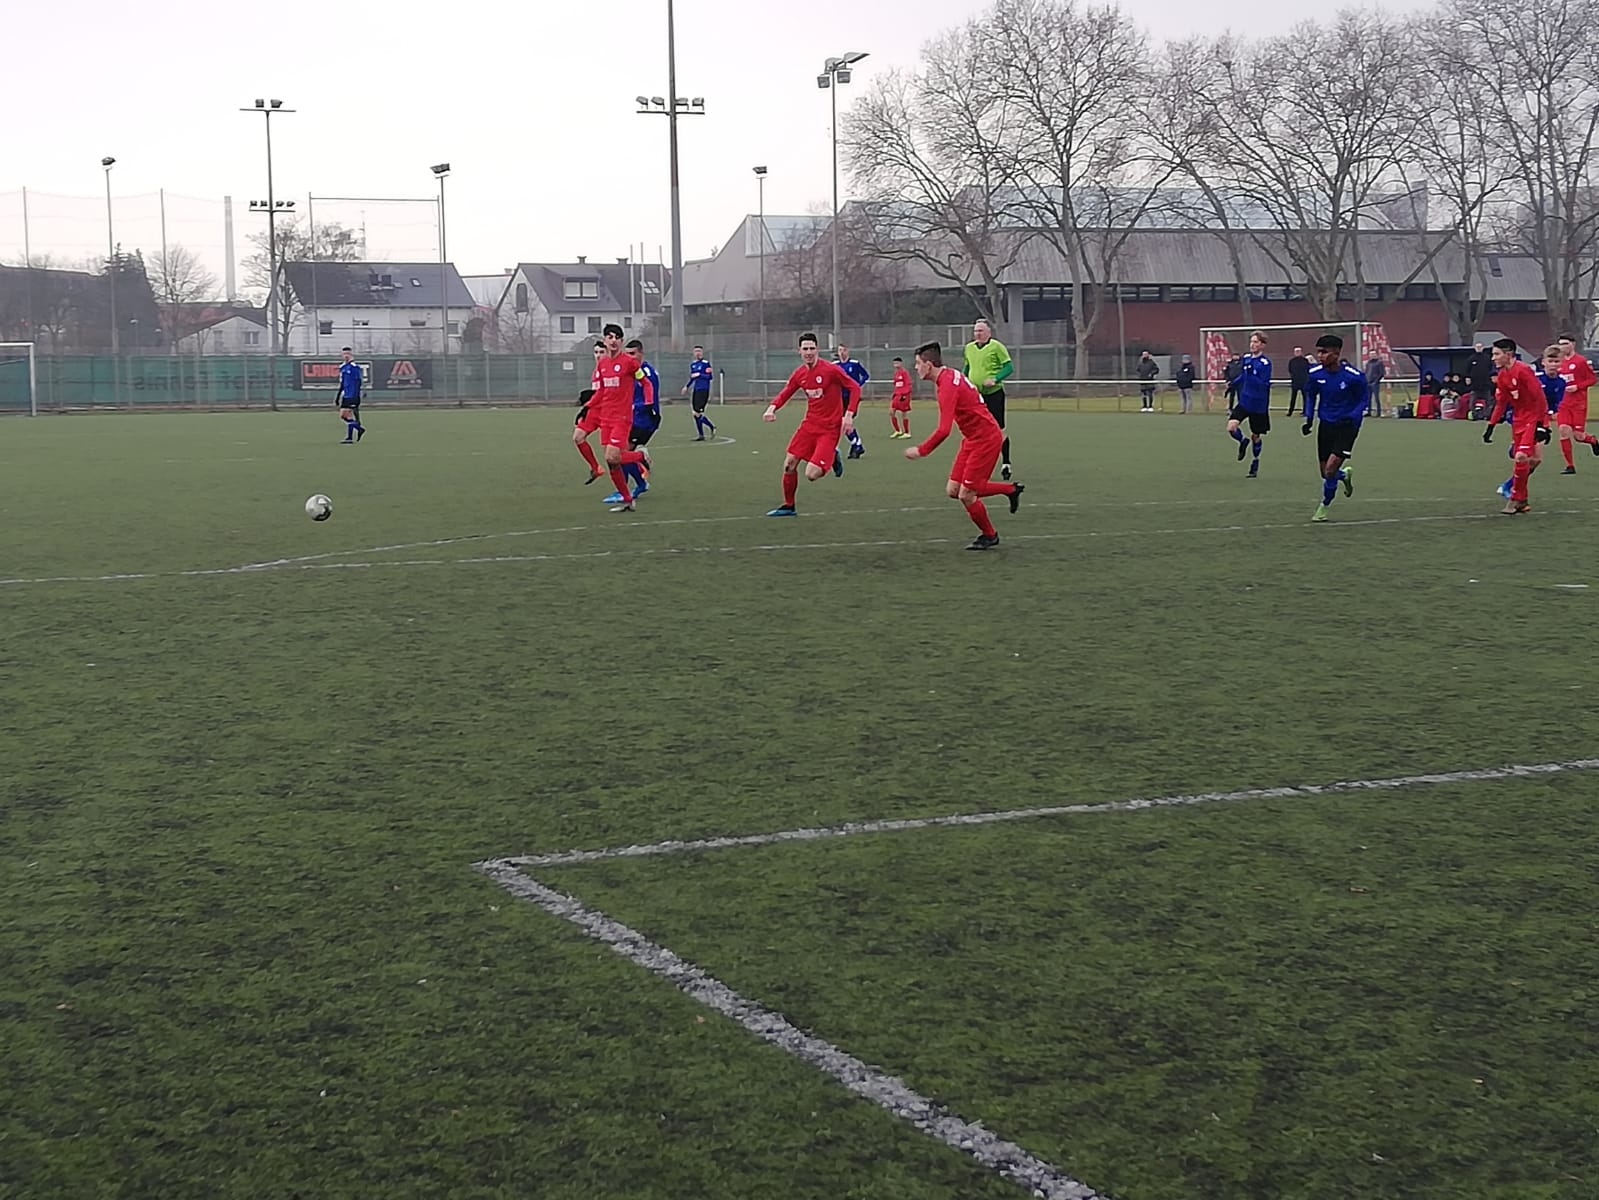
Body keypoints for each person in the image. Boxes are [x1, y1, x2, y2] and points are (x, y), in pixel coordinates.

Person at [903, 341, 1023, 551]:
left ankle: (990, 535)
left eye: (918, 363)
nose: (916, 367)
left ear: (929, 365)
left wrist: (921, 450)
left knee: (966, 494)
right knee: (953, 490)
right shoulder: (948, 375)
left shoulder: (947, 386)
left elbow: (944, 430)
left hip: (986, 439)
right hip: (972, 439)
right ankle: (1010, 489)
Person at [762, 332, 858, 517]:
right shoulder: (800, 374)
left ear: (817, 349)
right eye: (805, 349)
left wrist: (849, 415)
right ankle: (789, 506)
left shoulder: (831, 370)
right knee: (789, 464)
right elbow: (786, 392)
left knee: (811, 475)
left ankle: (832, 455)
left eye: (812, 348)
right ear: (799, 351)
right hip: (809, 425)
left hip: (829, 429)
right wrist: (771, 409)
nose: (809, 352)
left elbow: (854, 387)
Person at [1301, 333, 1369, 522]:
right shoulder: (1315, 374)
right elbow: (1311, 396)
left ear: (1336, 353)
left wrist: (1353, 416)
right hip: (1326, 425)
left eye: (1324, 352)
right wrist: (1309, 419)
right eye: (1318, 352)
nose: (1320, 356)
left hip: (1347, 427)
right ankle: (1344, 475)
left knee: (1330, 469)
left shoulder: (1354, 376)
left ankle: (1324, 506)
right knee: (1326, 473)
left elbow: (1364, 400)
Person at [1483, 338, 1552, 515]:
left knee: (1521, 457)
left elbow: (1539, 398)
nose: (1493, 358)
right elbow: (1501, 403)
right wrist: (1491, 425)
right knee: (1530, 460)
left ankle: (1515, 499)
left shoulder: (1523, 371)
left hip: (1533, 418)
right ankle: (1523, 500)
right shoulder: (1502, 376)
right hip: (1518, 420)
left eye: (1496, 354)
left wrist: (1542, 425)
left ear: (1508, 354)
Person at [590, 324, 653, 513]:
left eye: (617, 337)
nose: (613, 340)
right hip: (605, 418)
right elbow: (601, 391)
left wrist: (649, 402)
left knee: (612, 455)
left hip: (622, 417)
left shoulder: (629, 363)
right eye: (609, 337)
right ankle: (627, 500)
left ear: (622, 341)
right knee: (612, 462)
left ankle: (641, 456)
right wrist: (587, 407)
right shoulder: (602, 364)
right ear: (604, 340)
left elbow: (646, 383)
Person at [1499, 345, 1565, 499]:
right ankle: (1514, 489)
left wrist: (1552, 412)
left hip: (1542, 420)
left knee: (1536, 460)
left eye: (1557, 361)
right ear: (1543, 362)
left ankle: (1509, 485)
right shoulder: (1535, 377)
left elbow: (1556, 404)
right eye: (1550, 361)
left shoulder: (1561, 383)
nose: (1553, 365)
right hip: (1525, 418)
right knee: (1524, 456)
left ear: (1561, 363)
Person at [603, 338, 659, 503]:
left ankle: (625, 489)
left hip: (644, 420)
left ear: (641, 353)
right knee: (619, 454)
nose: (630, 357)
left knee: (618, 454)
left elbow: (650, 398)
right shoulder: (629, 370)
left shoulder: (647, 372)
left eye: (633, 354)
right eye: (627, 354)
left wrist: (635, 406)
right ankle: (640, 483)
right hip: (630, 418)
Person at [963, 319, 1016, 479]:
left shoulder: (996, 347)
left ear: (988, 332)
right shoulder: (969, 348)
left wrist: (995, 379)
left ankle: (1006, 463)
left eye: (981, 331)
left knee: (998, 430)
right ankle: (976, 464)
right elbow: (967, 367)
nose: (977, 334)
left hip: (994, 394)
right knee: (975, 431)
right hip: (976, 396)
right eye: (975, 331)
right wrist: (964, 382)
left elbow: (1009, 367)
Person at [1226, 331, 1272, 477]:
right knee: (1231, 427)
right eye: (1251, 341)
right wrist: (1232, 384)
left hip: (1258, 405)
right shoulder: (1246, 359)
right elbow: (1244, 376)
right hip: (1245, 401)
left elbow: (1264, 384)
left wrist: (1253, 374)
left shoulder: (1265, 363)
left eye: (1256, 342)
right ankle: (1242, 441)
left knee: (1256, 436)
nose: (1252, 344)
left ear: (1262, 345)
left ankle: (1255, 462)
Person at [1554, 333, 1599, 473]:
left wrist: (1577, 387)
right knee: (1563, 431)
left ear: (1573, 344)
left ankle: (1593, 440)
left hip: (1578, 403)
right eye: (1561, 344)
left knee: (1579, 436)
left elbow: (1593, 379)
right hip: (1563, 404)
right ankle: (1570, 466)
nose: (1563, 347)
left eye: (1565, 344)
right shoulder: (1559, 363)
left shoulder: (1580, 361)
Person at [573, 340, 607, 484]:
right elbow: (597, 392)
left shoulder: (612, 369)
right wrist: (585, 408)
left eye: (602, 352)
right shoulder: (596, 371)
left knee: (613, 453)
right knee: (578, 437)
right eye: (596, 352)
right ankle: (596, 468)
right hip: (594, 410)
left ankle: (641, 462)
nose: (598, 355)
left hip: (607, 412)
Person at [835, 344, 870, 459]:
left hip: (852, 398)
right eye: (840, 350)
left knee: (845, 422)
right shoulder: (835, 365)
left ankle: (856, 445)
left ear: (848, 351)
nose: (842, 352)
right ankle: (857, 445)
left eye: (844, 350)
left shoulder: (854, 364)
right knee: (844, 423)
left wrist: (858, 386)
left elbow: (865, 375)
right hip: (839, 398)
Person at [683, 345, 717, 440]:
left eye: (699, 351)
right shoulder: (693, 365)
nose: (697, 353)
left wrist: (700, 374)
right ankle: (701, 435)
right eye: (696, 351)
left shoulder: (706, 364)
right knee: (695, 413)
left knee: (697, 413)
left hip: (703, 390)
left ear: (702, 352)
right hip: (696, 390)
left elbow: (709, 377)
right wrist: (687, 386)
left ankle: (711, 426)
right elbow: (692, 378)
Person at [336, 347, 365, 443]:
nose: (346, 356)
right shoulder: (343, 367)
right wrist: (338, 396)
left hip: (353, 395)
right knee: (344, 416)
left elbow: (358, 381)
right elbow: (342, 383)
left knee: (348, 415)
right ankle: (359, 429)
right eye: (344, 354)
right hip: (346, 395)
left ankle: (350, 437)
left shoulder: (354, 367)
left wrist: (357, 394)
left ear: (351, 355)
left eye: (348, 354)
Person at [889, 356, 914, 437]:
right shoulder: (896, 373)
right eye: (894, 363)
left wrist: (905, 394)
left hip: (903, 396)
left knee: (904, 413)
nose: (895, 365)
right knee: (891, 412)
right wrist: (894, 394)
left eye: (897, 363)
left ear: (901, 363)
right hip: (897, 395)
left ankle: (907, 432)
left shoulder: (904, 372)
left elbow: (908, 384)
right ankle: (897, 431)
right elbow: (896, 384)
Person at [1286, 346, 1311, 416]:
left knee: (1305, 398)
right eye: (1296, 351)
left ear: (1301, 352)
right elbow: (1290, 370)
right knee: (1293, 398)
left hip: (1304, 382)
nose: (1297, 353)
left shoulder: (1305, 361)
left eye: (1298, 351)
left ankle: (1305, 412)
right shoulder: (1292, 361)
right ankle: (1290, 412)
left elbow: (1308, 370)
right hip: (1295, 382)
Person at [1365, 354, 1387, 418]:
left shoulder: (1379, 363)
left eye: (1373, 354)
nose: (1372, 356)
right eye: (1371, 354)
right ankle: (1369, 411)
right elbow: (1367, 372)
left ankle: (1378, 412)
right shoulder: (1368, 363)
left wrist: (1376, 381)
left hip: (1375, 383)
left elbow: (1381, 373)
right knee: (1368, 398)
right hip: (1368, 382)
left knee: (1376, 398)